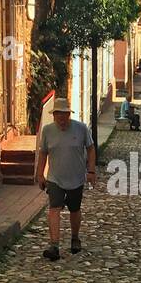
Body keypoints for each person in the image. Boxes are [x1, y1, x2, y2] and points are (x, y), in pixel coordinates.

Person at [35, 97, 96, 259]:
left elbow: (90, 149)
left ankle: (75, 238)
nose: (62, 118)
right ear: (54, 115)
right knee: (54, 209)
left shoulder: (81, 129)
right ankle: (54, 245)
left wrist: (91, 171)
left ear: (69, 114)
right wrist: (40, 174)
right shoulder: (47, 131)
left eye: (65, 114)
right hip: (55, 178)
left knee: (74, 210)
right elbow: (43, 153)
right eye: (58, 114)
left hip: (76, 178)